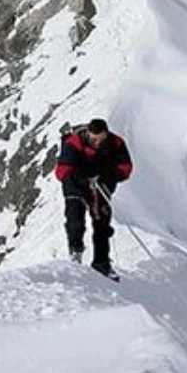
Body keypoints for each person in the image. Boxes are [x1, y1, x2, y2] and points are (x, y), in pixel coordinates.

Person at [54, 118, 133, 279]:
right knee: (74, 218)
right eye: (94, 138)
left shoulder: (116, 143)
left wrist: (108, 177)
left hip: (100, 186)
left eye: (101, 139)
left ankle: (102, 263)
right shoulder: (74, 142)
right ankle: (75, 251)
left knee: (102, 223)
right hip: (76, 185)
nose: (98, 142)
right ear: (88, 133)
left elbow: (125, 168)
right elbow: (62, 171)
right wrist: (81, 178)